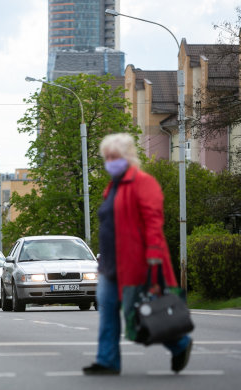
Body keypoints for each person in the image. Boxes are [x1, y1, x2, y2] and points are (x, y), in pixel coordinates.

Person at [83, 133, 192, 376]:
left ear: (128, 157)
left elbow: (154, 219)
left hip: (137, 264)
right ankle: (107, 361)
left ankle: (180, 344)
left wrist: (153, 253)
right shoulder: (113, 186)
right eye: (107, 157)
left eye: (115, 156)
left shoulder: (143, 182)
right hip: (110, 265)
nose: (110, 161)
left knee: (142, 315)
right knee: (107, 310)